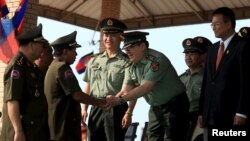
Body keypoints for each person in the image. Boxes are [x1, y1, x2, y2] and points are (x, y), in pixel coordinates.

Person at [106, 31, 190, 141]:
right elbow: (125, 90)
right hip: (155, 107)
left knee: (172, 138)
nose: (127, 52)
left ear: (142, 46)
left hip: (175, 106)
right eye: (125, 49)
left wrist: (119, 100)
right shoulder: (130, 64)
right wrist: (110, 101)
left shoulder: (157, 60)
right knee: (152, 138)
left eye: (130, 47)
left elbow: (145, 88)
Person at [44, 31, 108, 141]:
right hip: (63, 131)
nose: (76, 54)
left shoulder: (53, 66)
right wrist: (100, 102)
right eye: (74, 51)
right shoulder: (62, 68)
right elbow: (77, 95)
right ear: (65, 52)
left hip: (58, 130)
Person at [198, 7, 250, 141]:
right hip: (210, 116)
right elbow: (207, 83)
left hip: (231, 115)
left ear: (229, 24)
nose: (213, 28)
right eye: (212, 24)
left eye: (217, 24)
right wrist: (202, 112)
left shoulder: (243, 47)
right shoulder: (212, 50)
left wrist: (242, 112)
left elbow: (246, 83)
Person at [82, 18, 137, 141]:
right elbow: (88, 85)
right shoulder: (94, 60)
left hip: (117, 109)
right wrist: (84, 108)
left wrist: (129, 112)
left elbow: (134, 90)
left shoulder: (127, 61)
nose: (108, 38)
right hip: (96, 106)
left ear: (120, 37)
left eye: (113, 35)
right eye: (106, 34)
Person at [1, 24, 50, 141]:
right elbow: (12, 100)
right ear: (32, 45)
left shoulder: (30, 67)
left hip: (33, 132)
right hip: (21, 134)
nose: (43, 50)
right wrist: (18, 131)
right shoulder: (17, 66)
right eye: (41, 46)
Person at [179, 37, 211, 141]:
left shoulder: (208, 77)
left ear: (200, 56)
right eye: (186, 54)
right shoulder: (180, 78)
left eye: (192, 54)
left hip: (200, 119)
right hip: (182, 119)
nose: (188, 57)